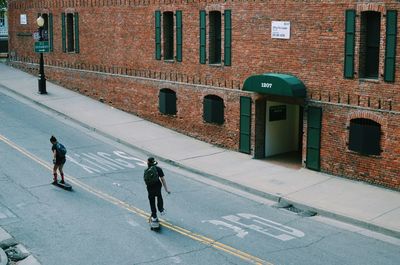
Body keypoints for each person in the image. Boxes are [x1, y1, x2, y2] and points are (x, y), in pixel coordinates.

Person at [144, 157, 170, 222]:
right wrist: (166, 189)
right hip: (157, 186)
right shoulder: (158, 169)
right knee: (159, 196)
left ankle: (154, 216)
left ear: (148, 163)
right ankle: (161, 209)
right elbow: (162, 179)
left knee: (152, 201)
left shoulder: (146, 170)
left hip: (150, 187)